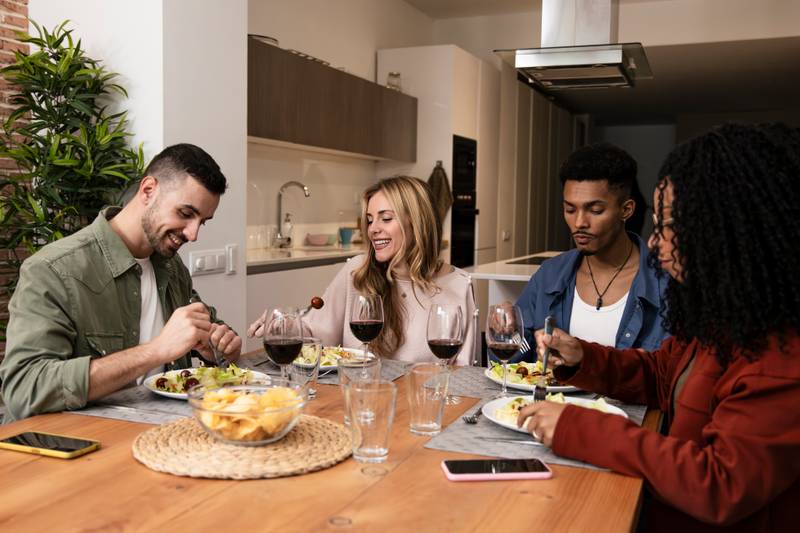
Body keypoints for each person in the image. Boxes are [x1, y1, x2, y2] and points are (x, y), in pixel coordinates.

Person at [520, 123, 800, 532]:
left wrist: (579, 427)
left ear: (723, 232)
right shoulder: (723, 323)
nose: (654, 243)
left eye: (669, 226)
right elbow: (657, 373)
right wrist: (584, 356)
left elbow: (719, 485)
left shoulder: (780, 359)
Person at [0, 143, 242, 422]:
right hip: (78, 444)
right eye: (186, 214)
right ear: (148, 190)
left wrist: (220, 348)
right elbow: (24, 389)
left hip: (165, 433)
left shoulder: (171, 266)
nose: (193, 234)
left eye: (203, 221)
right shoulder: (53, 270)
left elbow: (208, 330)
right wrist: (156, 350)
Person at [248, 176, 476, 365]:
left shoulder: (459, 285)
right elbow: (317, 331)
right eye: (369, 220)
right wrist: (288, 325)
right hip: (359, 401)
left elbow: (463, 376)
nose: (373, 229)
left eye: (386, 219)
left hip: (420, 409)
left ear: (417, 223)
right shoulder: (356, 271)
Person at [511, 142, 668, 362]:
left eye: (595, 210)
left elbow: (672, 378)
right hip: (551, 398)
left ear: (626, 210)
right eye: (570, 209)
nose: (579, 222)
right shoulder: (549, 275)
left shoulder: (664, 284)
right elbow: (515, 358)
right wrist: (508, 332)